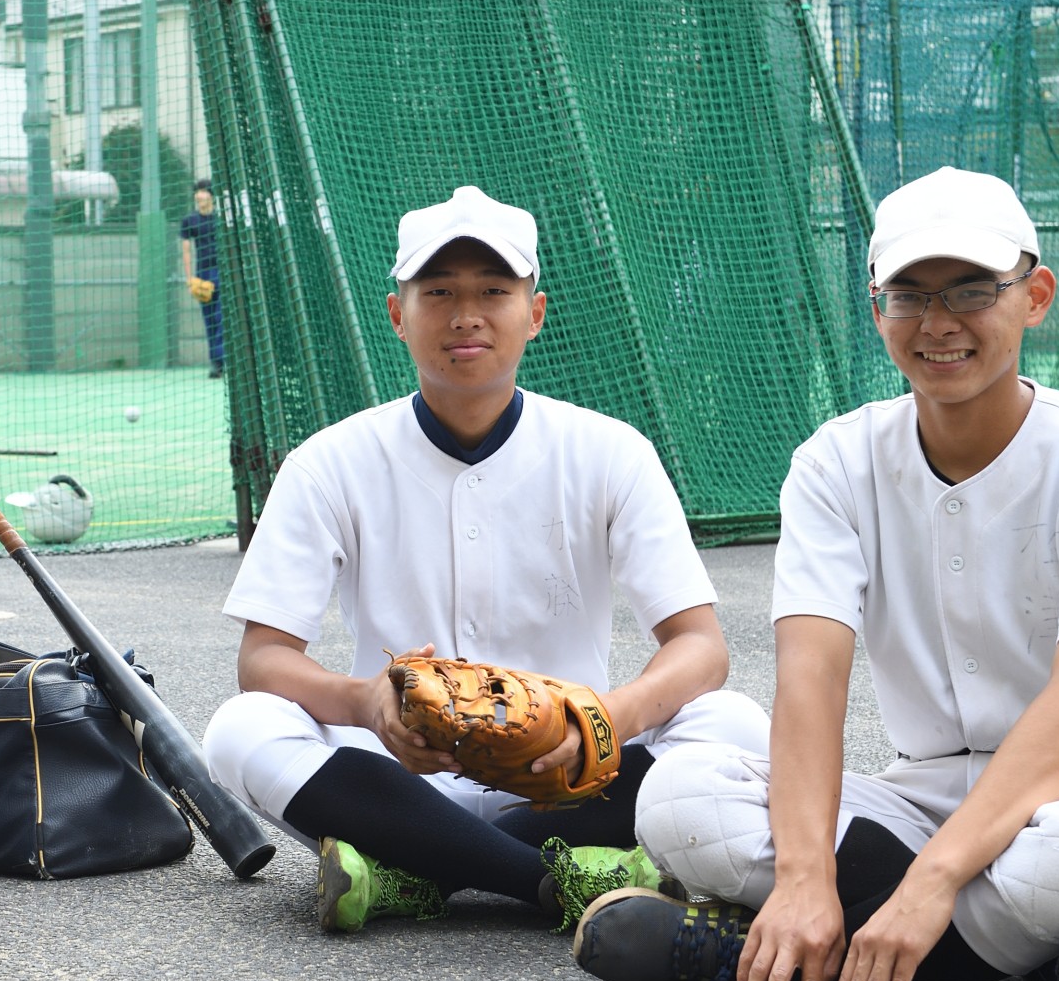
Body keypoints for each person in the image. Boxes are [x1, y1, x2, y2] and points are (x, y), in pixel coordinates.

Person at [583, 167, 1059, 981]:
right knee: (679, 799)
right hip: (920, 795)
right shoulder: (835, 462)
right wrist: (807, 875)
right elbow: (810, 680)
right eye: (909, 295)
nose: (939, 322)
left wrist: (930, 882)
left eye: (971, 289)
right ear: (875, 305)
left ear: (1035, 296)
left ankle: (737, 955)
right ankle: (1034, 968)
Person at [202, 185, 769, 935]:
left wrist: (602, 722)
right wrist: (366, 702)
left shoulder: (608, 450)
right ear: (398, 315)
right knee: (240, 727)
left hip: (568, 775)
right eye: (438, 291)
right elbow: (264, 659)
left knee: (734, 724)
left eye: (494, 290)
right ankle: (548, 880)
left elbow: (700, 646)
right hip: (395, 769)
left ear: (534, 314)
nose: (466, 314)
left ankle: (414, 869)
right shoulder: (329, 461)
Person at [181, 180, 225, 379]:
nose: (199, 196)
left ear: (211, 196)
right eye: (197, 192)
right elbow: (186, 249)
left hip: (222, 272)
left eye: (203, 192)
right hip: (203, 274)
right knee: (210, 321)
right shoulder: (190, 220)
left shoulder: (222, 218)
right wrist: (190, 278)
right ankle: (217, 364)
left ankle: (222, 359)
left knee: (221, 317)